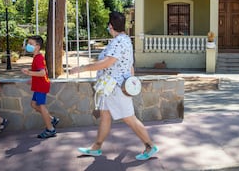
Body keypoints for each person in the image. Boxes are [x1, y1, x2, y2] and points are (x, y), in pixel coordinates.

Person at [69, 11, 159, 161]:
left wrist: (82, 68)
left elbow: (107, 63)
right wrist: (130, 80)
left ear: (111, 26)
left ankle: (150, 145)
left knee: (129, 118)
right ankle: (96, 147)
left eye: (108, 25)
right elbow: (129, 65)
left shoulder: (119, 41)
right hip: (110, 87)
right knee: (105, 116)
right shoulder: (124, 40)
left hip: (115, 87)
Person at [21, 35, 59, 139]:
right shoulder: (37, 57)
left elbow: (42, 73)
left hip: (41, 86)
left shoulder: (38, 58)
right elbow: (43, 72)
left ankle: (50, 129)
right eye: (28, 43)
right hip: (39, 85)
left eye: (31, 44)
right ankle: (52, 119)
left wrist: (28, 73)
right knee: (34, 104)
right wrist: (33, 79)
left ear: (37, 46)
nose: (28, 46)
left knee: (41, 106)